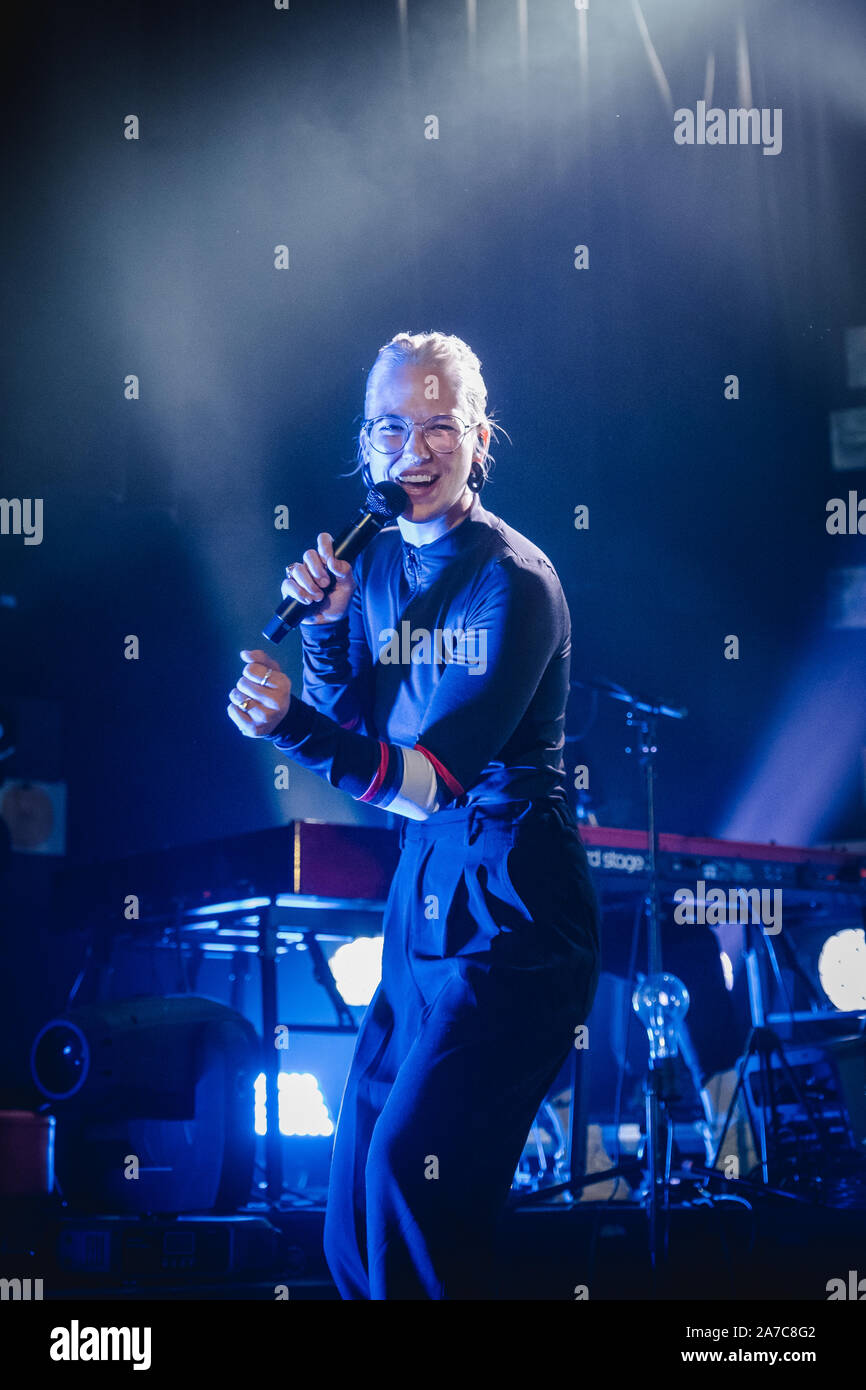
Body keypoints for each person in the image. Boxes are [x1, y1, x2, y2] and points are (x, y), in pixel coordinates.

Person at [227, 331, 600, 1299]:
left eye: (440, 425)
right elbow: (359, 723)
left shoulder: (511, 582)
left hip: (513, 914)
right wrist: (321, 628)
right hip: (420, 907)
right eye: (393, 426)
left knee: (410, 1184)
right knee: (349, 1212)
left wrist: (291, 729)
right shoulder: (376, 564)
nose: (415, 448)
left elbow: (426, 776)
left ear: (480, 440)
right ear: (367, 445)